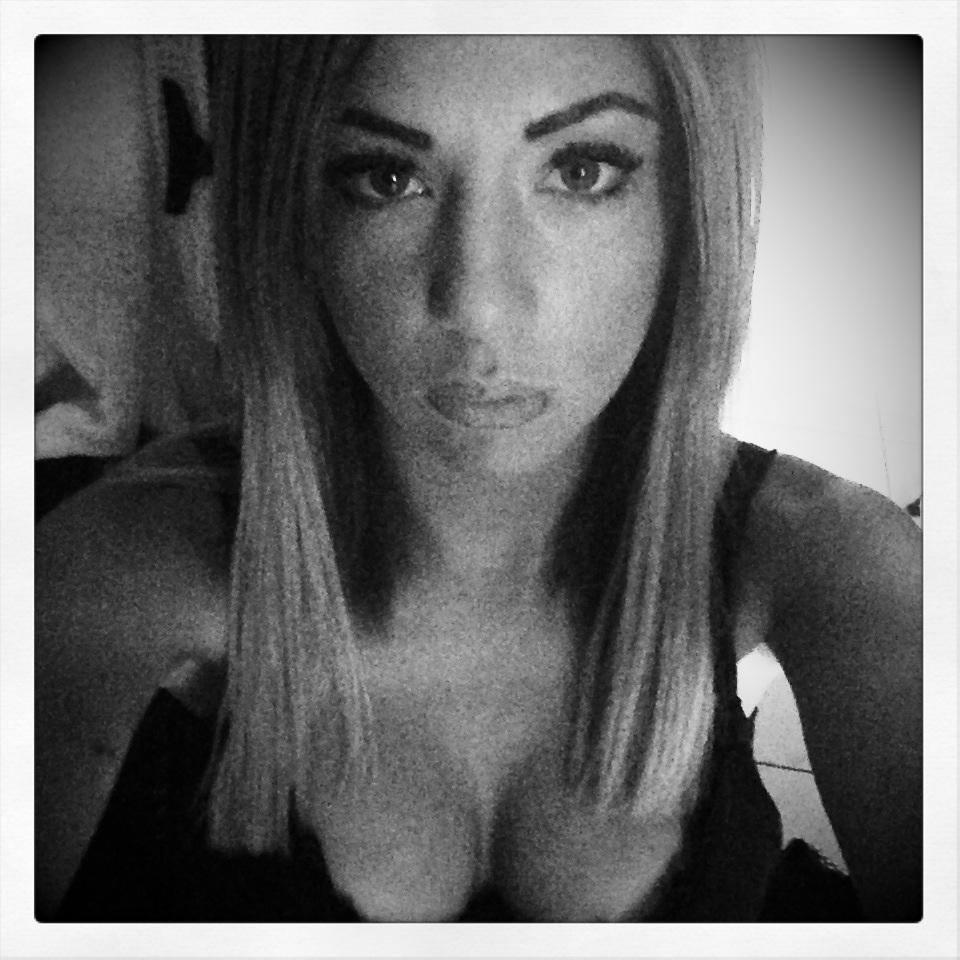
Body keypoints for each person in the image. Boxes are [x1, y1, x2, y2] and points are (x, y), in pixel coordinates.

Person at [34, 35, 921, 922]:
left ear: (690, 205)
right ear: (293, 214)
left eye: (580, 171)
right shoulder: (113, 570)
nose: (477, 302)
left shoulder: (832, 557)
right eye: (387, 178)